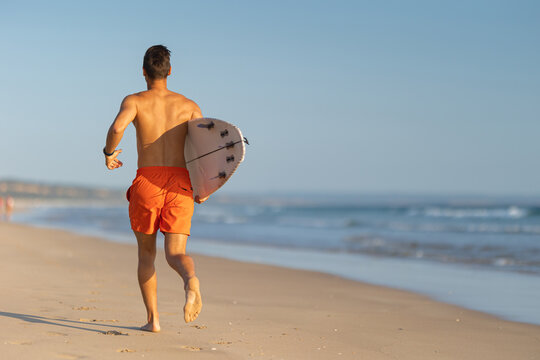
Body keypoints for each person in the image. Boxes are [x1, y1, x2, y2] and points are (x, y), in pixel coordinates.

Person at [104, 45, 206, 332]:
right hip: (180, 181)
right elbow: (203, 151)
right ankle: (190, 280)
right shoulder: (190, 106)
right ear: (170, 71)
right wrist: (203, 186)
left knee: (146, 255)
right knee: (175, 253)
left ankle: (153, 320)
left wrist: (109, 153)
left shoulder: (135, 100)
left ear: (144, 72)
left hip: (147, 180)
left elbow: (116, 129)